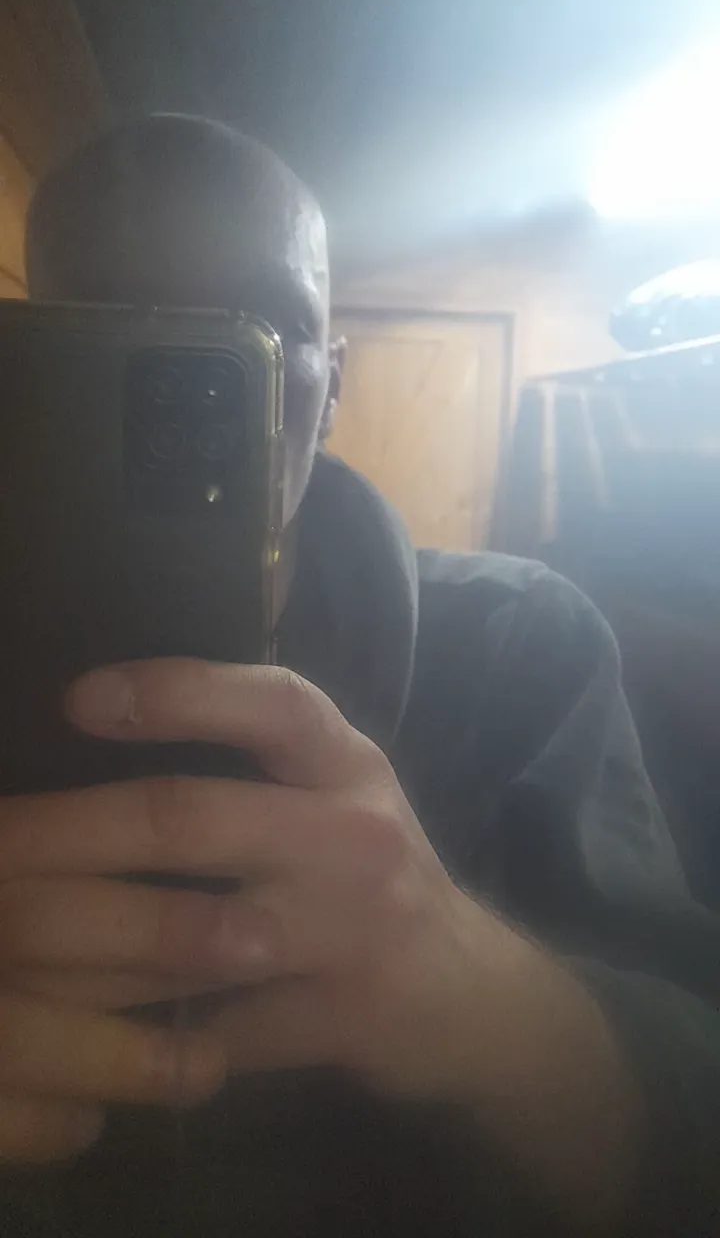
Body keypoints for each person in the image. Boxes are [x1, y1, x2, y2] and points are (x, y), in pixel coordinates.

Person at [1, 113, 718, 1238]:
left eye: (261, 328)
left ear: (330, 381)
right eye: (115, 327)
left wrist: (485, 997)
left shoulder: (524, 643)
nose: (197, 398)